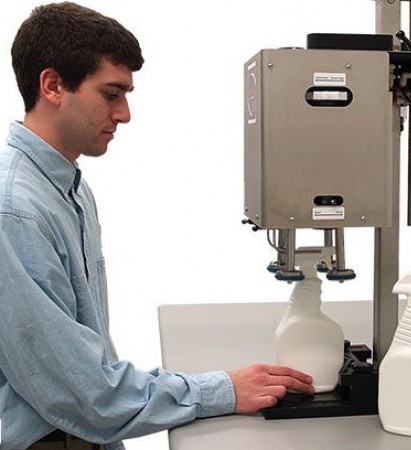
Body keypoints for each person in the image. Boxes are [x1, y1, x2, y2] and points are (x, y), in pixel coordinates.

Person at [0, 3, 313, 449]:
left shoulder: (69, 188)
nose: (124, 113)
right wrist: (221, 390)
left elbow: (87, 366)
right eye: (111, 94)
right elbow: (82, 395)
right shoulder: (16, 211)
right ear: (52, 86)